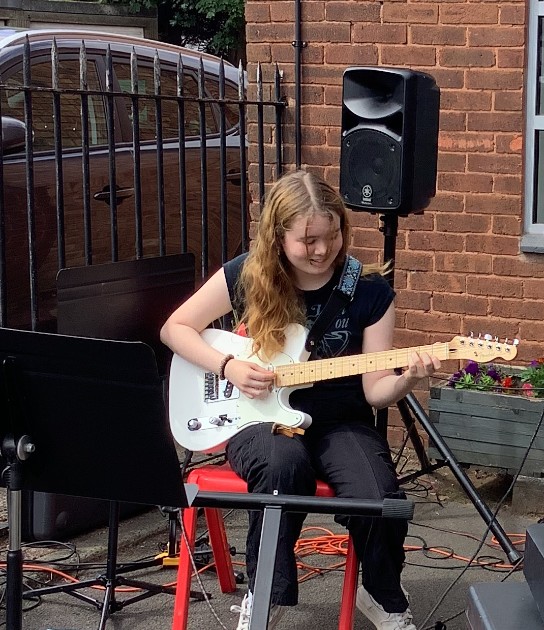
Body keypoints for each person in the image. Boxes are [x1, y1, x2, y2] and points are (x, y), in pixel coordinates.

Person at [161, 169, 438, 630]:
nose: (321, 250)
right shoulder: (246, 275)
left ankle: (382, 595)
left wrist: (408, 377)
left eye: (330, 237)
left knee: (379, 495)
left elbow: (374, 390)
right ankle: (264, 590)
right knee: (281, 466)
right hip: (256, 417)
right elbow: (175, 328)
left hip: (341, 420)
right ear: (276, 236)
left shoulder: (369, 293)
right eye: (307, 240)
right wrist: (227, 367)